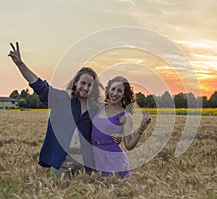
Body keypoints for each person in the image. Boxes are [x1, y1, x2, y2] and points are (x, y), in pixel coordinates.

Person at [8, 42, 120, 180]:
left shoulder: (97, 109)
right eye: (83, 83)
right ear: (76, 83)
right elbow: (40, 86)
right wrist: (20, 64)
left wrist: (117, 137)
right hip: (61, 161)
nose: (85, 87)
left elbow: (109, 127)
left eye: (90, 85)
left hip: (86, 165)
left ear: (94, 87)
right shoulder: (62, 99)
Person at [91, 76, 151, 179]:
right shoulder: (100, 107)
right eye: (113, 89)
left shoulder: (125, 116)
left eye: (119, 91)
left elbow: (128, 145)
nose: (114, 93)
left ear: (124, 94)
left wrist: (141, 129)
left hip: (113, 160)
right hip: (95, 157)